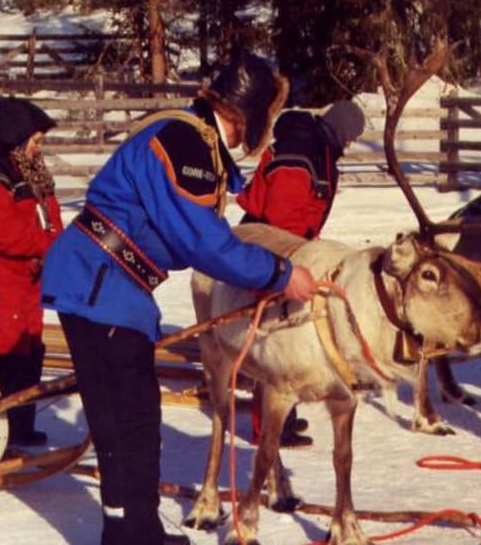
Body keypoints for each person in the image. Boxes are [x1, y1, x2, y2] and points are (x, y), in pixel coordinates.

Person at [40, 47, 318, 545]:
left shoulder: (193, 139)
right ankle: (131, 537)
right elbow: (202, 241)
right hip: (100, 284)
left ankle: (134, 531)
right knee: (128, 423)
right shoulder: (183, 143)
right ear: (248, 116)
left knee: (132, 421)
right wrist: (280, 273)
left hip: (111, 286)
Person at [236, 99, 366, 447]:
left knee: (285, 332)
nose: (350, 145)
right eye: (351, 138)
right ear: (340, 131)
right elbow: (280, 217)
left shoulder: (316, 147)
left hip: (287, 247)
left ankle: (284, 416)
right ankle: (270, 429)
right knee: (272, 335)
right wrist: (287, 263)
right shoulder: (302, 154)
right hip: (271, 249)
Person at [0, 97, 63, 447]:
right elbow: (5, 233)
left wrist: (56, 241)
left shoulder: (32, 170)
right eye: (36, 140)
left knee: (29, 348)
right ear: (17, 137)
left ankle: (20, 425)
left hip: (29, 276)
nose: (39, 147)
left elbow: (50, 215)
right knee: (3, 350)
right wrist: (47, 244)